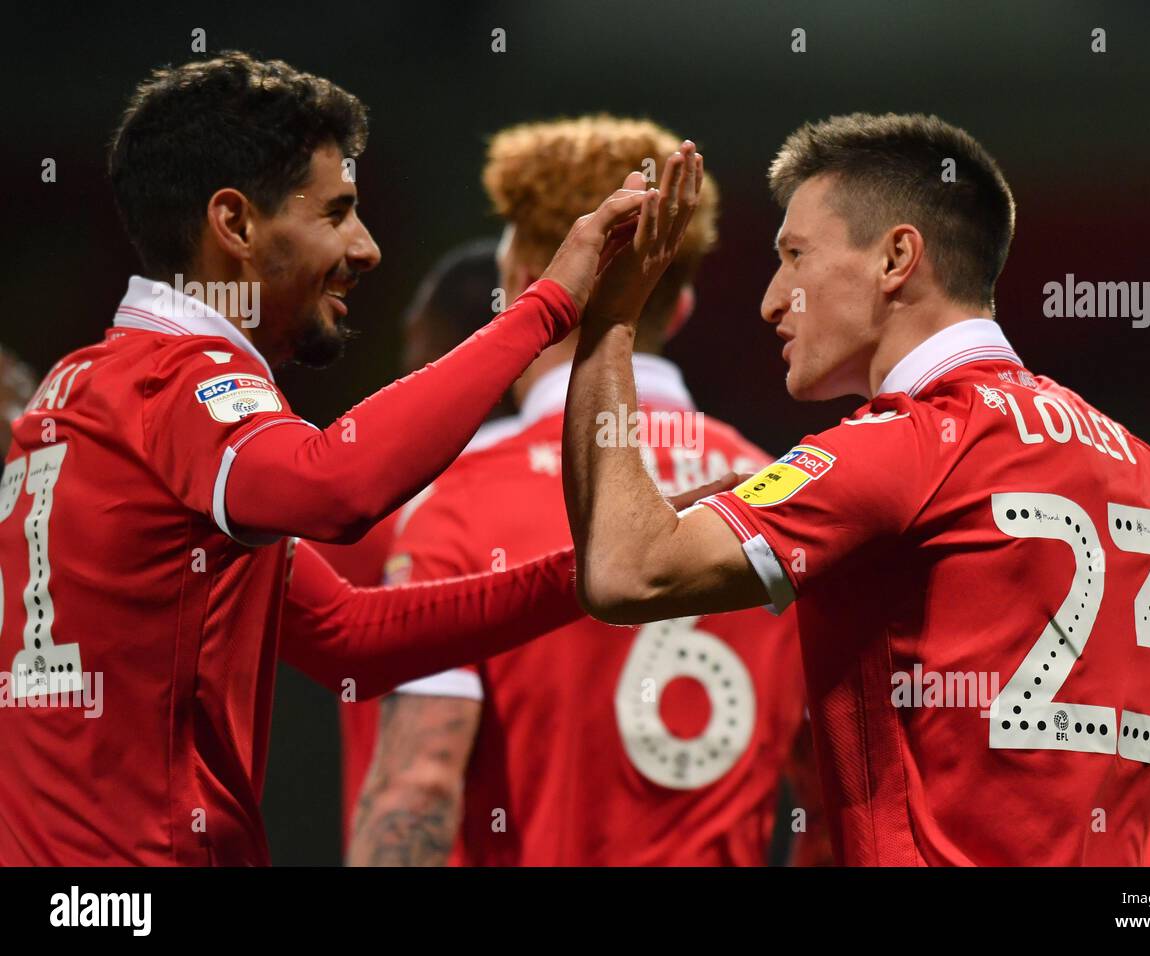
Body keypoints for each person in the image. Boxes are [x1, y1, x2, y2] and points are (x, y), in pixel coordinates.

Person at [0, 52, 686, 865]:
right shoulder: (177, 384)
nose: (366, 250)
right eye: (335, 213)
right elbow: (340, 485)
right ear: (236, 224)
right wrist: (549, 305)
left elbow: (349, 636)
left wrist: (606, 567)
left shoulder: (84, 385)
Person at [562, 116, 1150, 865]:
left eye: (795, 256)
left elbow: (627, 572)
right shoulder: (1149, 474)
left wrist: (612, 323)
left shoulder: (902, 448)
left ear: (896, 257)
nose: (772, 300)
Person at [346, 116, 813, 866]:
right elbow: (832, 805)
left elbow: (420, 786)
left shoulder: (460, 501)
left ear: (520, 287)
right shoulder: (786, 498)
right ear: (682, 303)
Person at [312, 238, 520, 846]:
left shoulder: (391, 509)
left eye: (416, 345)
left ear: (446, 356)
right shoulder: (604, 500)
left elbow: (219, 532)